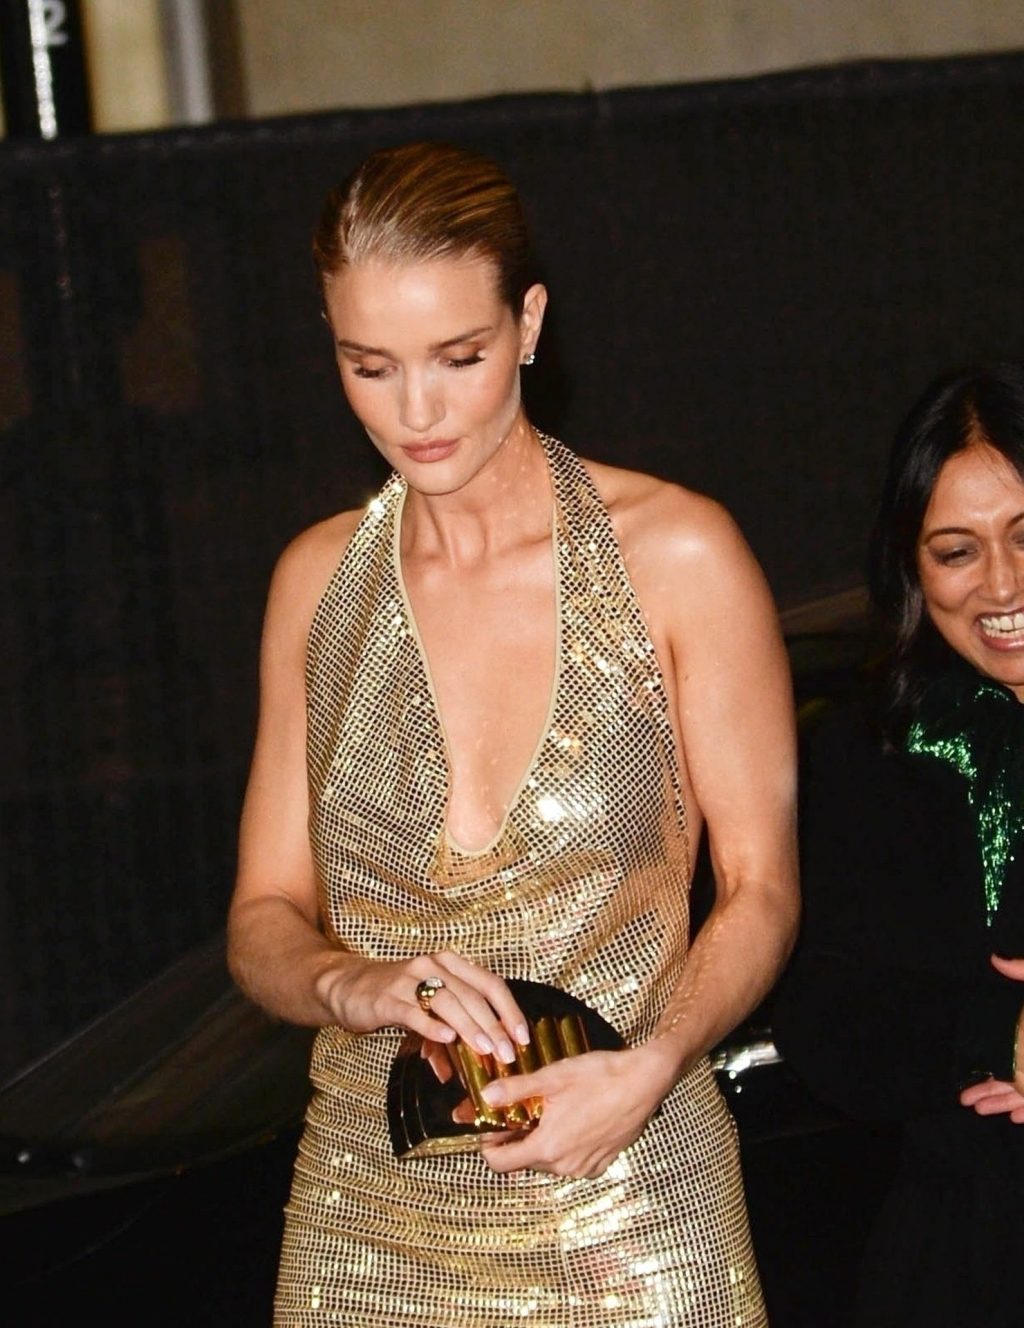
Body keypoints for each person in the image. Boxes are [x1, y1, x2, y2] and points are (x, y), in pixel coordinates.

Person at [226, 139, 798, 1328]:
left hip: (631, 1192)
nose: (416, 411)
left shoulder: (677, 556)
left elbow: (760, 889)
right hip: (365, 1218)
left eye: (459, 356)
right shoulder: (316, 583)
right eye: (370, 365)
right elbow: (261, 918)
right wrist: (351, 980)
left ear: (528, 324)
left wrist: (652, 1065)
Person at [771, 361, 1024, 1328]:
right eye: (957, 551)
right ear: (912, 569)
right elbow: (825, 1026)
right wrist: (1002, 1036)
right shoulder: (871, 750)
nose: (1001, 584)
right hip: (968, 1257)